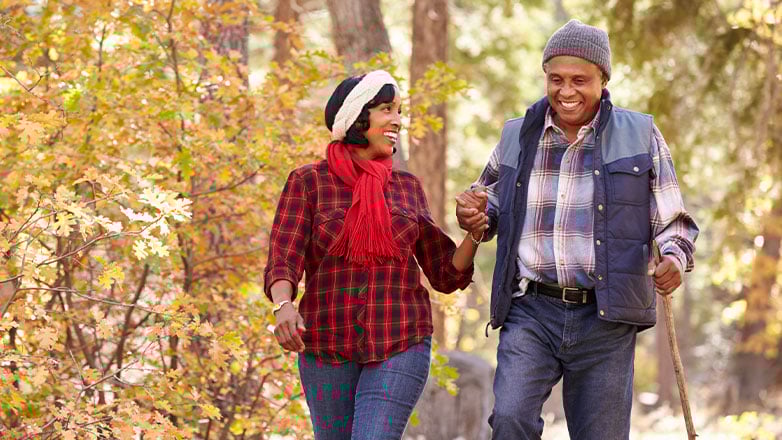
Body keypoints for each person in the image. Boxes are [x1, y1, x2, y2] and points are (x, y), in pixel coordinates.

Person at [455, 19, 700, 439]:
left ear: (603, 80)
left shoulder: (640, 134)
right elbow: (491, 202)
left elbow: (673, 220)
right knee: (510, 419)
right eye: (556, 79)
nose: (566, 92)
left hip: (606, 315)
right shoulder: (517, 134)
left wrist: (675, 257)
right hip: (531, 309)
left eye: (579, 80)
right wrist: (474, 214)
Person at [264, 70, 486, 440]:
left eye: (399, 110)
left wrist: (475, 235)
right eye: (387, 109)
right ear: (356, 118)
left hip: (401, 339)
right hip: (326, 345)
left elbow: (445, 273)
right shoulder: (308, 182)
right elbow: (283, 256)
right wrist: (283, 305)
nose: (397, 120)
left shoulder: (407, 187)